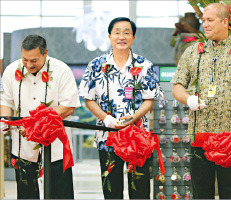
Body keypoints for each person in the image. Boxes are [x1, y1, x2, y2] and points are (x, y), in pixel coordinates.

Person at [171, 3, 231, 199]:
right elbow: (177, 86)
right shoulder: (192, 52)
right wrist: (189, 99)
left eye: (210, 20)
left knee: (230, 191)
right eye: (204, 21)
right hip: (200, 136)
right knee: (201, 191)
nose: (205, 25)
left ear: (225, 22)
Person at [79, 17, 162, 199]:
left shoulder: (144, 65)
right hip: (107, 138)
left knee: (139, 190)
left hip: (138, 139)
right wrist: (106, 118)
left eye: (126, 32)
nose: (121, 36)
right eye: (117, 32)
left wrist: (134, 117)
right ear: (110, 36)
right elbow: (88, 99)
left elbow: (150, 99)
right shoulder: (95, 65)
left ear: (133, 37)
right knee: (111, 190)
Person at [0, 34, 80, 199]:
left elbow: (69, 105)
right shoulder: (10, 70)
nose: (29, 65)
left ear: (45, 53)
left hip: (56, 144)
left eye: (34, 60)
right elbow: (6, 101)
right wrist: (5, 120)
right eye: (25, 59)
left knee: (60, 193)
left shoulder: (61, 70)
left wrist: (36, 123)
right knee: (26, 193)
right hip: (23, 144)